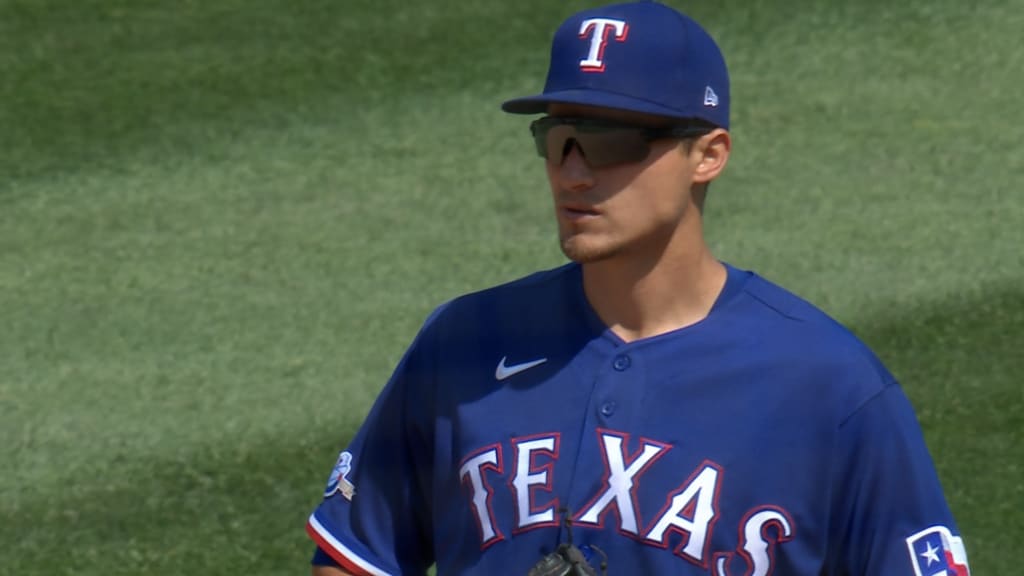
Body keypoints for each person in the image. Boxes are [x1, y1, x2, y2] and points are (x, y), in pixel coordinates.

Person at [305, 2, 970, 574]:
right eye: (558, 139)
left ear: (708, 154)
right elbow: (353, 555)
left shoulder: (828, 386)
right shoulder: (464, 343)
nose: (572, 173)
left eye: (609, 141)